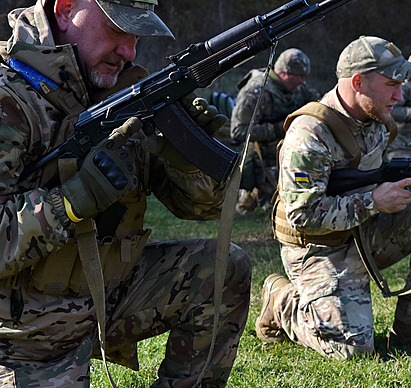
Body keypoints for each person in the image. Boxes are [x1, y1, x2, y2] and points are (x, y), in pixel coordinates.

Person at [0, 0, 251, 386]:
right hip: (23, 335)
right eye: (118, 30)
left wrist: (188, 157)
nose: (129, 51)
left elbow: (201, 208)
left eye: (137, 35)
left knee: (220, 268)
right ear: (66, 9)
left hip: (108, 297)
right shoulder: (8, 97)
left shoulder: (126, 91)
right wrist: (69, 202)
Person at [256, 36, 411, 360]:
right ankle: (282, 300)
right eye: (391, 84)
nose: (399, 95)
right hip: (316, 247)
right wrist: (373, 201)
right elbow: (303, 215)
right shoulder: (309, 134)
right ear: (358, 82)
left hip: (363, 231)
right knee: (352, 348)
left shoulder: (379, 120)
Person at [230, 48, 321, 214]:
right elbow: (238, 131)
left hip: (286, 150)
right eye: (299, 76)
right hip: (261, 155)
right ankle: (254, 192)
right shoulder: (255, 91)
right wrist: (280, 128)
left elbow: (319, 105)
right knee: (276, 209)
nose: (303, 81)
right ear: (284, 73)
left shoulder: (299, 89)